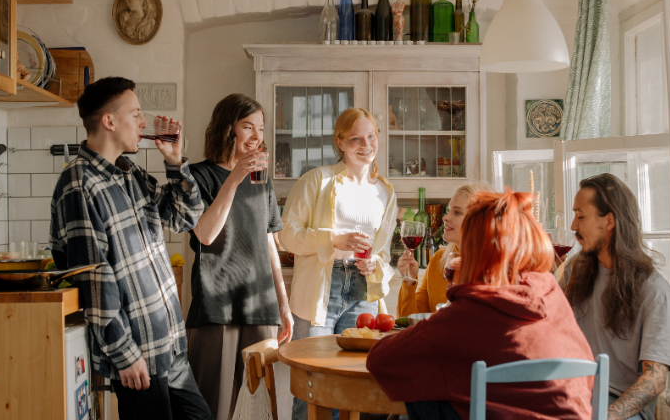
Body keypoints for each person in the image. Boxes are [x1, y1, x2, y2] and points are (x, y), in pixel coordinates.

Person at [50, 77, 212, 420]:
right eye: (136, 114)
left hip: (169, 344)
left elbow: (184, 217)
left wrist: (174, 160)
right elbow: (95, 279)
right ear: (109, 121)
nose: (143, 123)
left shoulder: (128, 172)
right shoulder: (79, 184)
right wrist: (124, 354)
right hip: (138, 355)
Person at [368, 190, 595, 420]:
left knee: (424, 400)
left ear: (475, 250)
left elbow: (380, 360)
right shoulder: (551, 291)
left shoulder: (472, 308)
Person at [278, 107, 398, 420]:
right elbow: (286, 235)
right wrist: (333, 240)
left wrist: (375, 266)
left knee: (355, 382)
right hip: (321, 287)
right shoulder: (316, 180)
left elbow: (384, 253)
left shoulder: (385, 191)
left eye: (371, 136)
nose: (366, 144)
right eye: (356, 138)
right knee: (314, 382)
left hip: (362, 292)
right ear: (340, 142)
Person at [186, 94, 292, 420]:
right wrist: (235, 176)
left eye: (260, 128)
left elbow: (268, 243)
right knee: (214, 408)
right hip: (216, 305)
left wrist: (283, 306)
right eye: (248, 126)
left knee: (261, 409)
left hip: (260, 306)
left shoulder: (261, 180)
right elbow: (205, 234)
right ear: (226, 128)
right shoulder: (197, 176)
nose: (257, 136)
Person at [560, 174, 670, 420]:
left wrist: (607, 416)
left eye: (581, 216)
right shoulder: (575, 270)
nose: (573, 226)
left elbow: (655, 379)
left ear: (609, 221)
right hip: (572, 393)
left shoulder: (655, 292)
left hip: (621, 407)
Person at [397, 181, 495, 317]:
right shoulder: (439, 259)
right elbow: (412, 321)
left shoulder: (495, 265)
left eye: (457, 212)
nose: (445, 217)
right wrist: (409, 280)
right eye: (449, 211)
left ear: (479, 221)